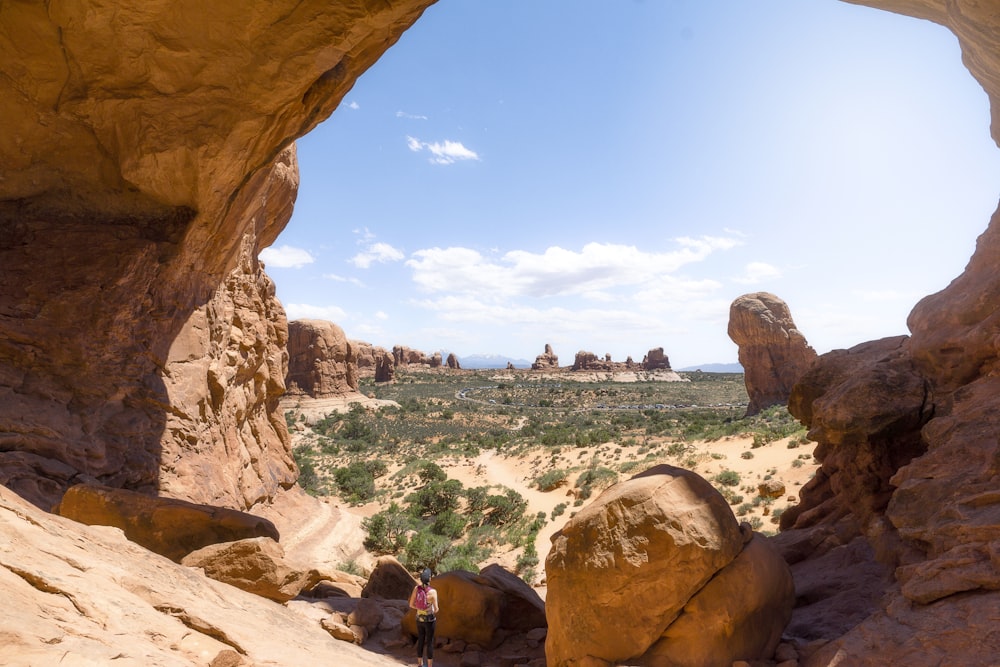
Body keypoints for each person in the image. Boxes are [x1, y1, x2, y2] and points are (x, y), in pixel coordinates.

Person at [408, 568, 439, 667]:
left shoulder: (416, 589)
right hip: (429, 620)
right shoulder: (433, 592)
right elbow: (436, 609)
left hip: (419, 619)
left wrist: (420, 608)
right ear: (429, 579)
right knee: (429, 643)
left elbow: (411, 605)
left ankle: (420, 664)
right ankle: (429, 666)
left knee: (421, 640)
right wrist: (430, 608)